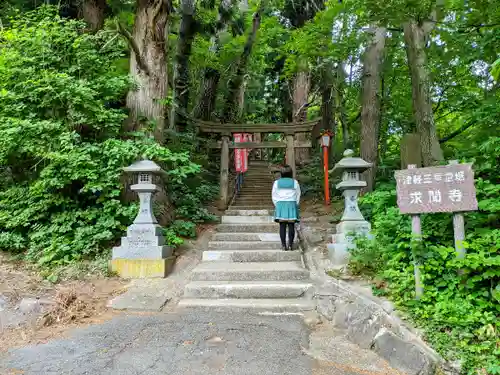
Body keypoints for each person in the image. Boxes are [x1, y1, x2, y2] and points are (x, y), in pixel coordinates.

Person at [272, 165, 301, 251]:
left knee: (282, 226)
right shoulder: (295, 182)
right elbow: (298, 194)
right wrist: (296, 204)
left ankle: (284, 245)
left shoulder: (276, 183)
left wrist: (277, 204)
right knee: (291, 225)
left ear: (281, 173)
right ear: (291, 173)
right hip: (291, 204)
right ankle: (291, 245)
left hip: (280, 205)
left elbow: (274, 195)